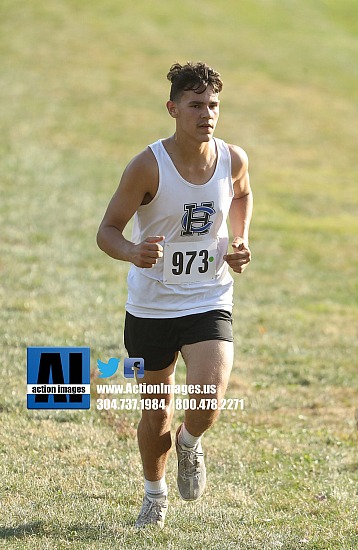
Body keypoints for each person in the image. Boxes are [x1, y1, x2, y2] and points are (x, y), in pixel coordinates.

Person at [96, 61, 253, 529]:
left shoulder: (232, 158)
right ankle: (154, 493)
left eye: (213, 105)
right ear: (173, 108)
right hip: (151, 307)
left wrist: (240, 240)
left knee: (206, 402)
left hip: (208, 298)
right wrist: (132, 251)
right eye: (196, 105)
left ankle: (190, 444)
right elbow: (107, 231)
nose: (207, 114)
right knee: (156, 415)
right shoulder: (148, 165)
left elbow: (242, 194)